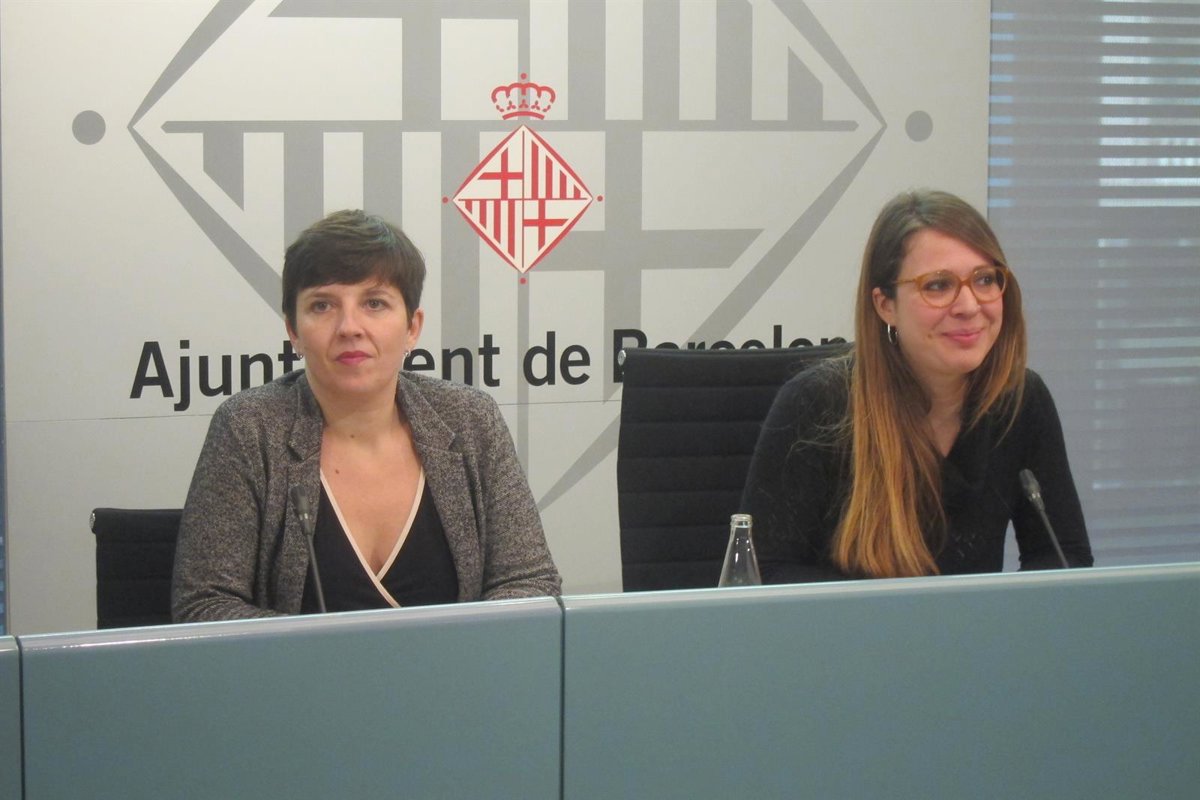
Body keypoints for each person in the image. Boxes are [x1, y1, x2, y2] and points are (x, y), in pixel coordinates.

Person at [173, 210, 560, 621]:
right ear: (293, 331)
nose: (349, 327)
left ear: (412, 327)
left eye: (374, 303)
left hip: (456, 663)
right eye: (322, 305)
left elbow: (531, 582)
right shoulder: (248, 428)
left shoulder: (470, 419)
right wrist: (334, 653)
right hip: (303, 667)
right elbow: (204, 606)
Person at [742, 190, 1093, 582]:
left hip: (972, 625)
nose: (969, 306)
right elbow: (765, 574)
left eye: (984, 279)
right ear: (885, 305)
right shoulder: (817, 404)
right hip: (854, 624)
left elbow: (1064, 557)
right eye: (938, 285)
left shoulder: (1021, 400)